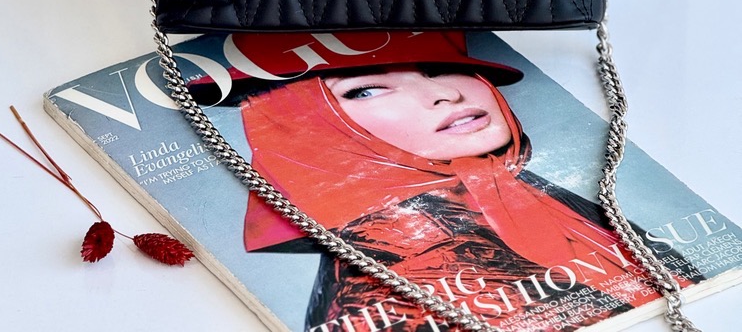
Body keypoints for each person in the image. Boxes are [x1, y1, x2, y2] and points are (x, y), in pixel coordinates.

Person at [192, 32, 698, 332]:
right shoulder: (398, 267)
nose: (444, 95)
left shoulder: (527, 195)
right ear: (309, 132)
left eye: (438, 69)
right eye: (366, 90)